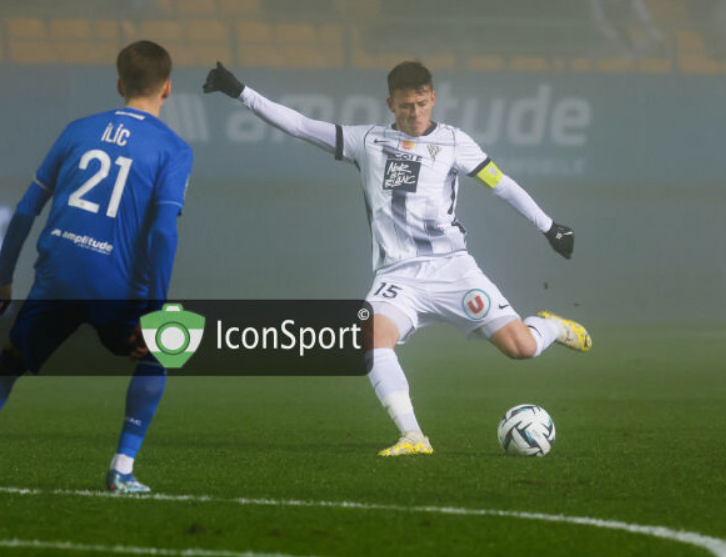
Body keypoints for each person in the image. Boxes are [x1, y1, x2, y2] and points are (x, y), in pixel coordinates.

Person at [203, 61, 591, 456]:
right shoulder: (366, 141)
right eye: (406, 106)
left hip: (453, 268)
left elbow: (501, 184)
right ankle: (413, 436)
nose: (415, 113)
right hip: (398, 276)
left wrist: (549, 227)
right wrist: (241, 92)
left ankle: (550, 326)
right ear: (391, 104)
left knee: (522, 348)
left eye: (422, 104)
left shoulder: (454, 142)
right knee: (369, 338)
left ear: (433, 98)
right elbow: (300, 125)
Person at [0, 40, 193, 491]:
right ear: (167, 88)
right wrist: (155, 310)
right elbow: (162, 234)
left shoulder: (78, 130)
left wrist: (2, 279)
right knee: (170, 343)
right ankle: (122, 469)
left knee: (10, 359)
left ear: (120, 84)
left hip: (59, 276)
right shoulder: (174, 149)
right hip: (117, 287)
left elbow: (25, 210)